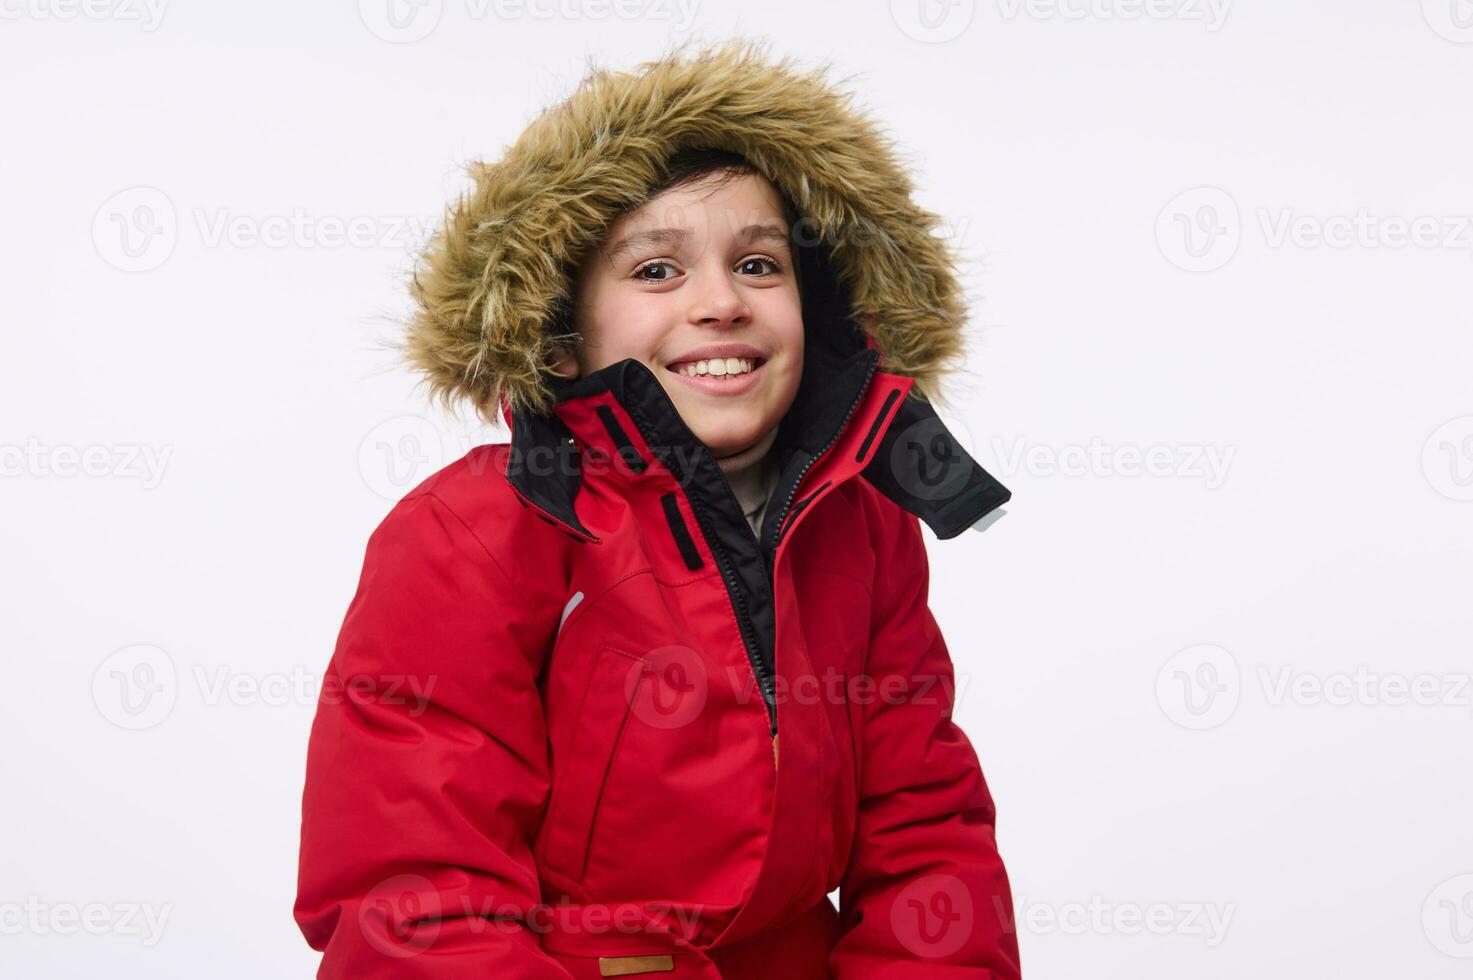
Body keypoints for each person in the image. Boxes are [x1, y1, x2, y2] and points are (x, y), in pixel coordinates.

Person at [294, 39, 1021, 979]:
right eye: (654, 272)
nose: (720, 302)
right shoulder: (475, 534)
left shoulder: (860, 522)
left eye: (760, 265)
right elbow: (415, 885)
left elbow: (925, 833)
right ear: (559, 336)